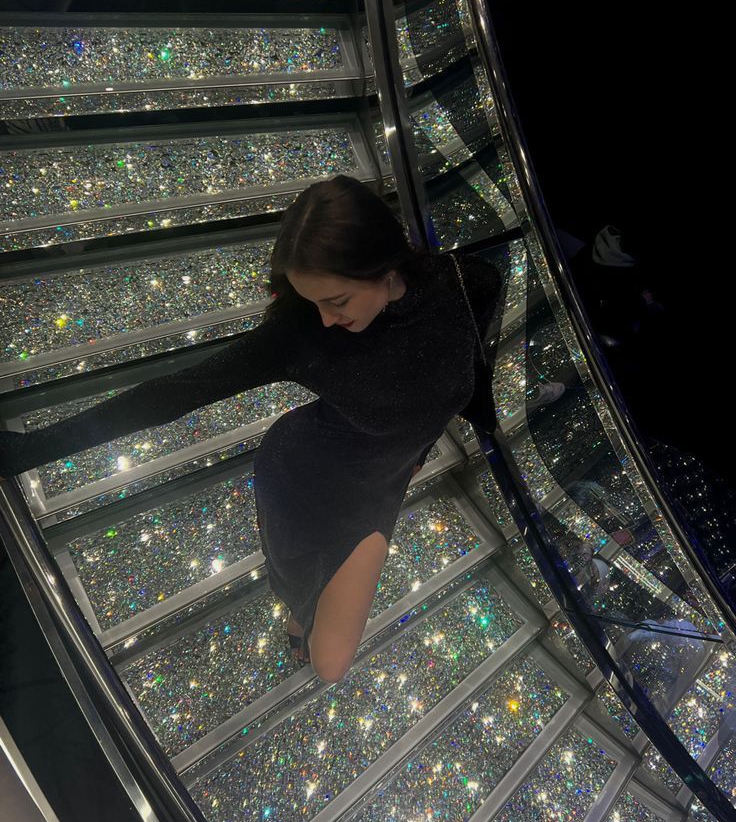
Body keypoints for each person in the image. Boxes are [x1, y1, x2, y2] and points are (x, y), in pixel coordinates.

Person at [0, 175, 503, 683]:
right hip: (306, 475)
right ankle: (300, 608)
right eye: (314, 303)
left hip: (384, 479)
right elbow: (170, 394)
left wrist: (449, 430)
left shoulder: (467, 283)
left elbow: (465, 367)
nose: (326, 320)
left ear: (383, 265)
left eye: (338, 300)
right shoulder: (301, 332)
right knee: (328, 657)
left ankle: (304, 611)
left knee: (328, 657)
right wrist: (29, 450)